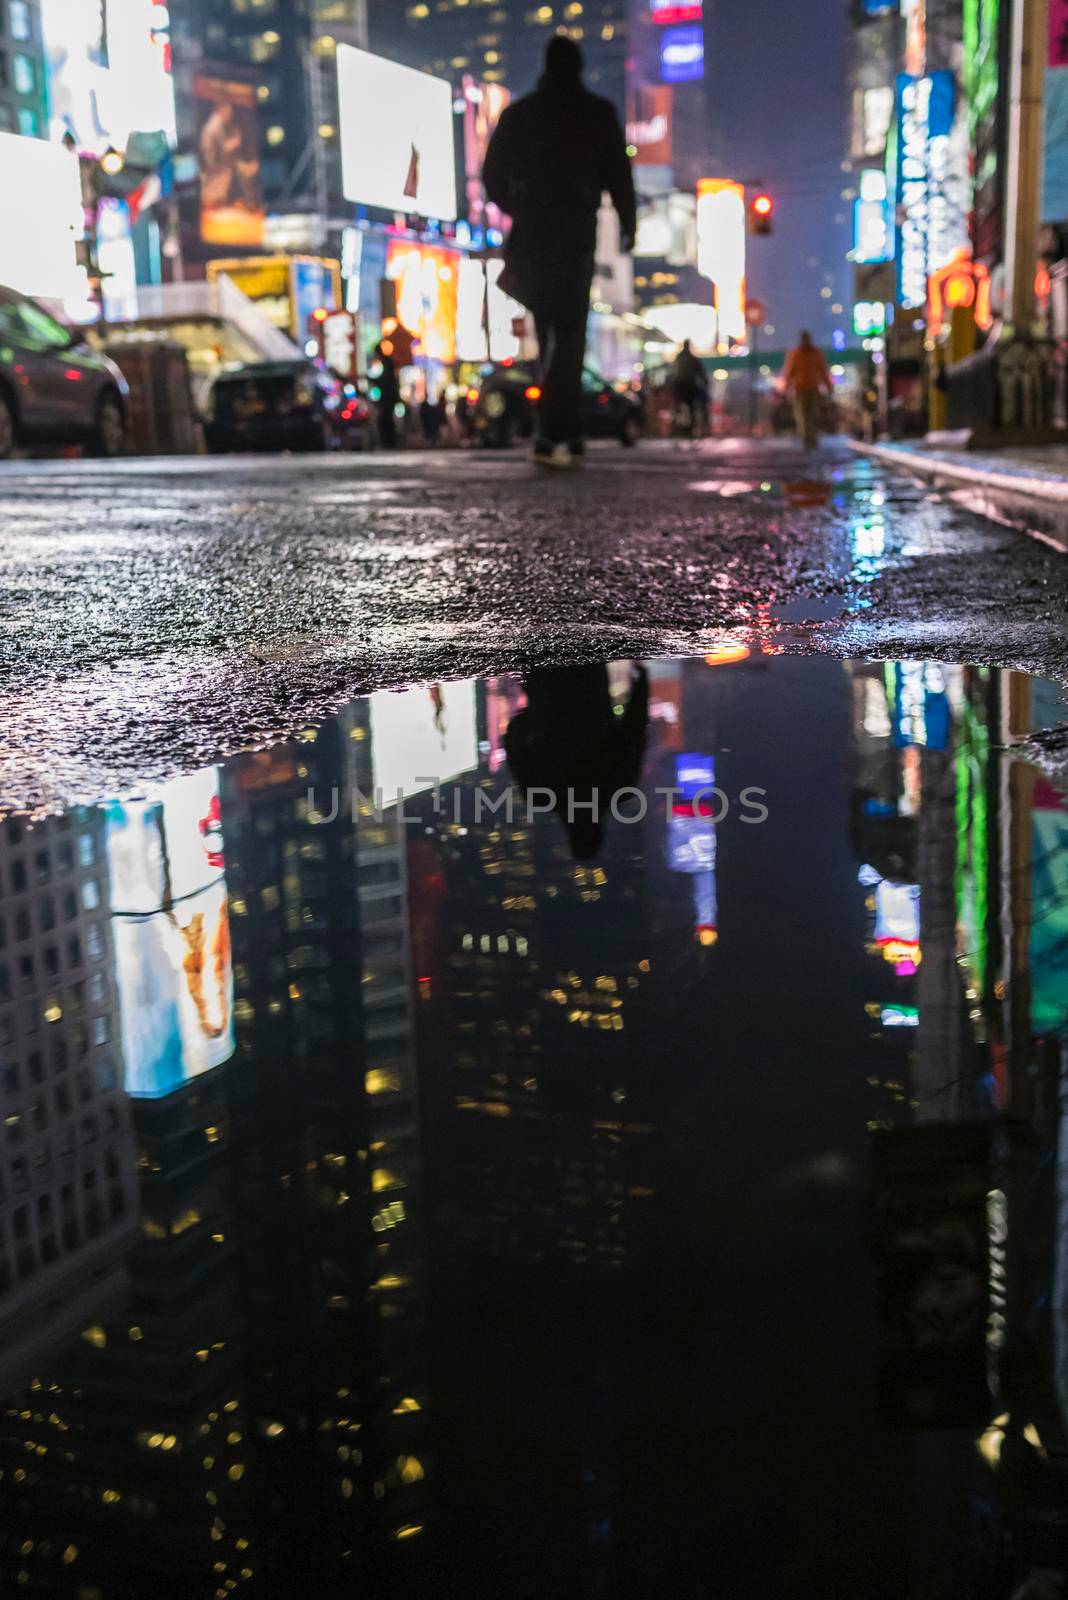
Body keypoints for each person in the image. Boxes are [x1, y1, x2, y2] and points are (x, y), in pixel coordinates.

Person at [483, 36, 636, 470]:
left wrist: (517, 204)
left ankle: (558, 429)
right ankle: (556, 431)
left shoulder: (520, 114)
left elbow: (491, 173)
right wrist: (628, 227)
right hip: (574, 236)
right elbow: (620, 179)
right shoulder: (598, 114)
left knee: (550, 330)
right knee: (569, 332)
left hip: (533, 236)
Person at [505, 664, 648, 860]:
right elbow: (514, 742)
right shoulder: (539, 795)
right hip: (545, 688)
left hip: (589, 682)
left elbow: (635, 727)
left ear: (600, 830)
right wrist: (530, 717)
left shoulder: (620, 785)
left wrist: (641, 682)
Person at [783, 330, 832, 450]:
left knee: (812, 414)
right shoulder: (796, 354)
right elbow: (789, 372)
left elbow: (823, 371)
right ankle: (807, 438)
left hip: (813, 389)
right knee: (804, 415)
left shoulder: (814, 353)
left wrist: (828, 386)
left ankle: (811, 437)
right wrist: (787, 388)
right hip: (801, 389)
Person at [669, 339, 709, 439]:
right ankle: (687, 429)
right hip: (687, 388)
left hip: (681, 388)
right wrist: (705, 382)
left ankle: (679, 428)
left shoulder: (680, 358)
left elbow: (673, 372)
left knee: (680, 408)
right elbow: (701, 372)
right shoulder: (691, 358)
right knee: (691, 408)